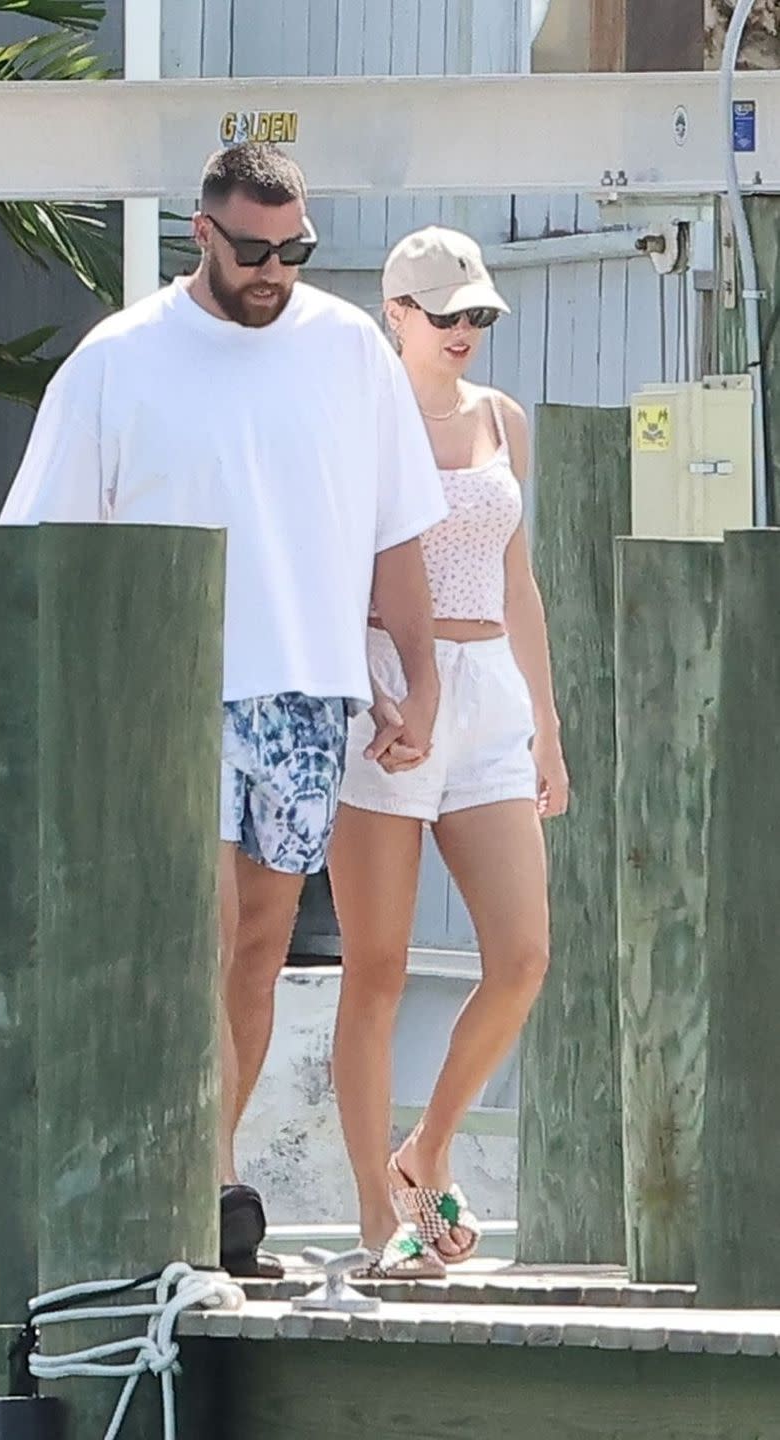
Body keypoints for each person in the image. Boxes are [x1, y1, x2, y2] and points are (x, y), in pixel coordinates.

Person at [0, 145, 448, 1274]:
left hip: (306, 688)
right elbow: (43, 547)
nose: (274, 270)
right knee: (194, 937)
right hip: (168, 687)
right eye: (253, 249)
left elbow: (397, 529)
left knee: (256, 951)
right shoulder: (118, 357)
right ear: (199, 233)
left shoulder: (348, 349)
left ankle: (207, 1166)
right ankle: (204, 1181)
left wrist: (422, 675)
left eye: (293, 249)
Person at [329, 226, 570, 1278]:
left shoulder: (500, 420)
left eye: (479, 315)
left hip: (488, 700)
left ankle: (422, 1152)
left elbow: (515, 583)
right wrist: (373, 685)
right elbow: (327, 565)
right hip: (383, 688)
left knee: (520, 958)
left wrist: (546, 729)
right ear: (395, 314)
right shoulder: (349, 416)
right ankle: (379, 1226)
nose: (466, 331)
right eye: (446, 314)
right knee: (373, 969)